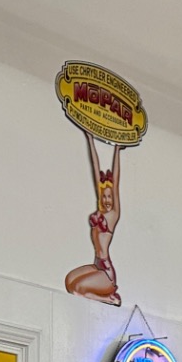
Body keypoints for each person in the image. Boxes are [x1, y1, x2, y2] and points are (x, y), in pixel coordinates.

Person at [64, 131, 124, 306]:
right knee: (69, 282)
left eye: (109, 197)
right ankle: (104, 295)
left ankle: (109, 298)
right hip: (96, 264)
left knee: (78, 290)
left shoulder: (113, 216)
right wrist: (90, 139)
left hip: (106, 273)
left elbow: (117, 179)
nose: (107, 200)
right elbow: (95, 170)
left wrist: (117, 151)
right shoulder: (99, 213)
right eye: (104, 197)